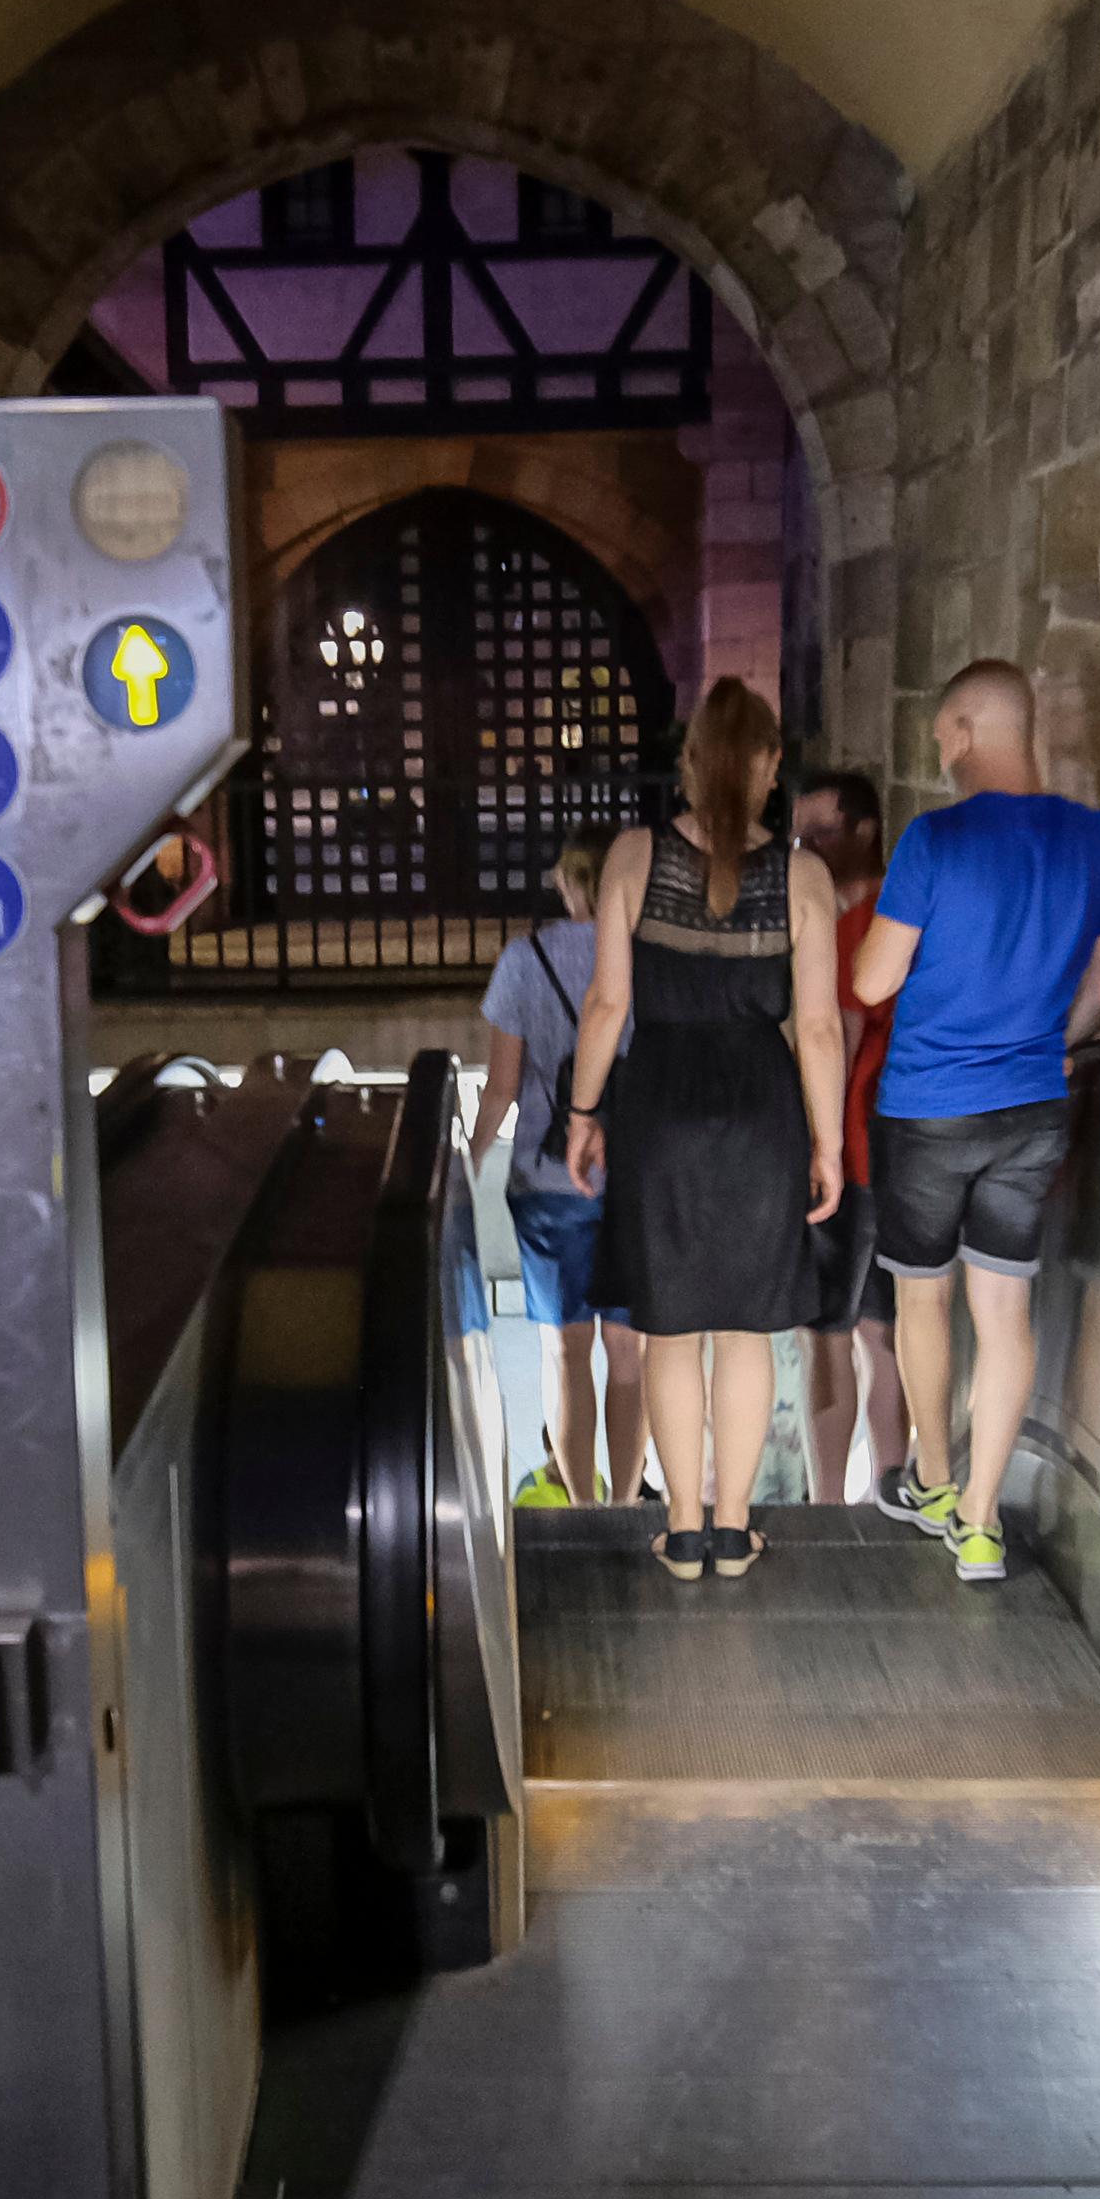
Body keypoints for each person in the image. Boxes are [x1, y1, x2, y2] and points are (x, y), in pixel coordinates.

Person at [850, 658, 1100, 1587]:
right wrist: (1053, 1041)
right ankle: (980, 1525)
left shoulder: (934, 842)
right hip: (1031, 1108)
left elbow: (872, 982)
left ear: (967, 728)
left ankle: (931, 1479)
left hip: (928, 1108)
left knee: (921, 1299)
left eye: (940, 734)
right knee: (1005, 1310)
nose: (939, 750)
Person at [560, 678, 843, 1582]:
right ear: (766, 766)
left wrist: (583, 1111)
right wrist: (828, 1142)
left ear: (688, 763)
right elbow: (822, 1027)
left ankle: (681, 1531)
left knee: (671, 1332)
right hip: (763, 1110)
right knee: (749, 1331)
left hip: (661, 1106)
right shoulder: (803, 875)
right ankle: (732, 1528)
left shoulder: (634, 857)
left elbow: (607, 1004)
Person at [471, 836, 633, 1505]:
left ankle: (583, 1509)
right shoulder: (643, 960)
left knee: (566, 1353)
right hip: (631, 1182)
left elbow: (502, 1086)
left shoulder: (522, 961)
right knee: (630, 1357)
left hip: (546, 1183)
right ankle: (626, 1505)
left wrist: (469, 1160)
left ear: (566, 886)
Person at [788, 763, 906, 1508]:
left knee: (826, 1334)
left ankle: (826, 1503)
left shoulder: (849, 932)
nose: (806, 847)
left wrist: (811, 1142)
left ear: (865, 829)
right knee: (886, 1334)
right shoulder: (914, 915)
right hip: (913, 1151)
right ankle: (896, 1488)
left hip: (851, 1148)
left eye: (820, 832)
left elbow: (838, 1031)